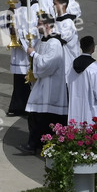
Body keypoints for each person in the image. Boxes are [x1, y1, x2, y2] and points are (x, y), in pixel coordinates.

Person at [18, 16, 68, 155]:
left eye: (39, 24)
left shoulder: (54, 43)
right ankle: (36, 144)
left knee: (43, 117)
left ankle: (36, 145)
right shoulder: (43, 41)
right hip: (42, 84)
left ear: (47, 25)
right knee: (35, 115)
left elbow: (48, 64)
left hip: (51, 87)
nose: (36, 26)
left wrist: (33, 54)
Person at [6, 0, 36, 117]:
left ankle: (30, 107)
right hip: (19, 52)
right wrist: (10, 20)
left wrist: (22, 38)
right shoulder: (15, 9)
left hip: (30, 48)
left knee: (29, 80)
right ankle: (17, 106)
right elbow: (9, 28)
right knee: (18, 80)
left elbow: (35, 29)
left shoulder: (35, 9)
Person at [66, 36, 97, 126]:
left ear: (81, 47)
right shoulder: (95, 68)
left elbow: (68, 83)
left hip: (75, 108)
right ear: (92, 48)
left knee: (77, 131)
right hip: (93, 111)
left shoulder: (72, 66)